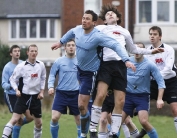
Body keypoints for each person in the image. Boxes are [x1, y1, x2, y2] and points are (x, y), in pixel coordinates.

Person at [51, 10, 136, 138]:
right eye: (83, 18)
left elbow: (115, 45)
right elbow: (70, 33)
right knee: (82, 107)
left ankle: (87, 132)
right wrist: (60, 42)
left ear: (94, 22)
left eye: (87, 19)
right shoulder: (78, 29)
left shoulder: (98, 36)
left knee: (81, 105)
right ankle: (86, 129)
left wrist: (126, 60)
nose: (84, 21)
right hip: (79, 70)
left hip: (90, 74)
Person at [89, 4, 164, 138]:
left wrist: (151, 51)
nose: (110, 14)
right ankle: (93, 129)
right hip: (105, 65)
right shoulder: (100, 29)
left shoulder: (124, 32)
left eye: (113, 13)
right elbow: (86, 35)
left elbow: (134, 49)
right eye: (107, 14)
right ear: (104, 20)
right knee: (100, 95)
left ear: (117, 18)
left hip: (120, 66)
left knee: (121, 101)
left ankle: (113, 133)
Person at [137, 26, 177, 138]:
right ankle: (145, 127)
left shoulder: (169, 49)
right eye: (150, 34)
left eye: (155, 34)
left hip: (170, 82)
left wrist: (156, 76)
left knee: (175, 110)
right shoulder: (147, 53)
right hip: (153, 83)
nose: (152, 36)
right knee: (143, 104)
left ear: (160, 36)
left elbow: (168, 69)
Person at [2, 44, 46, 138]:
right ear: (27, 53)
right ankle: (6, 134)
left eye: (35, 51)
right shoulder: (20, 66)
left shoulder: (41, 65)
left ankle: (11, 130)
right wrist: (16, 89)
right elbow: (12, 80)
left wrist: (42, 91)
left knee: (38, 123)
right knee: (15, 119)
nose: (33, 53)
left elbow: (43, 78)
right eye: (31, 51)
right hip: (23, 97)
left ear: (37, 52)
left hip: (36, 97)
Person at [122, 42, 165, 138]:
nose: (137, 51)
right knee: (116, 122)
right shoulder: (126, 62)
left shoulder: (150, 65)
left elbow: (161, 82)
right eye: (135, 49)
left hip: (142, 96)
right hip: (127, 96)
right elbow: (115, 76)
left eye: (140, 49)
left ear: (144, 51)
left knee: (144, 121)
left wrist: (159, 99)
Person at [48, 39, 80, 138]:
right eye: (69, 45)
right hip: (61, 93)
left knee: (79, 120)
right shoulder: (59, 61)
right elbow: (52, 75)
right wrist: (50, 87)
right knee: (54, 118)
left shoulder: (80, 61)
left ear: (75, 47)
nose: (71, 47)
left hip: (76, 93)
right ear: (65, 48)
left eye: (73, 45)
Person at [1, 45, 33, 138]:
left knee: (30, 117)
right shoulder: (7, 67)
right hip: (11, 95)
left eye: (18, 51)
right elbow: (3, 83)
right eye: (15, 51)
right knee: (18, 119)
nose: (17, 52)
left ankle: (9, 127)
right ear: (11, 53)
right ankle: (9, 130)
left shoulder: (24, 64)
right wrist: (13, 86)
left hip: (22, 95)